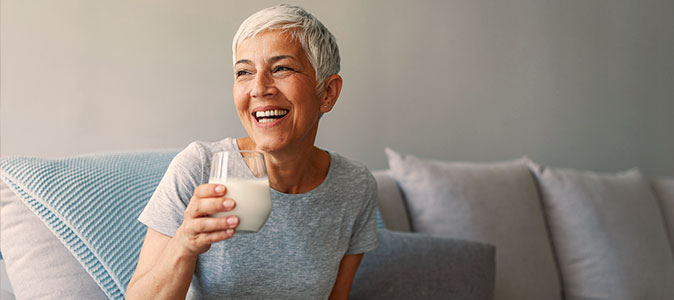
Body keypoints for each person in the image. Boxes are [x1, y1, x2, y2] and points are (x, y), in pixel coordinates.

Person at [125, 4, 378, 299]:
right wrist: (185, 243)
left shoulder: (355, 186)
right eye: (244, 72)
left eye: (281, 68)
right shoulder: (200, 167)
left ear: (327, 93)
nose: (258, 88)